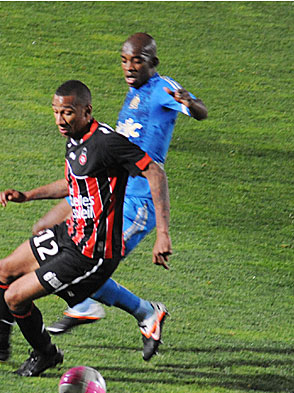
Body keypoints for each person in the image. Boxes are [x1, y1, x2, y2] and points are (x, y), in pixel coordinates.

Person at [0, 80, 172, 377]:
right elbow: (74, 183)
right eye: (55, 112)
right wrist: (28, 195)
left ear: (86, 111)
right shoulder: (75, 140)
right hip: (70, 233)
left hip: (91, 253)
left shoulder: (107, 142)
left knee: (15, 297)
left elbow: (154, 171)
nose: (60, 119)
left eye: (67, 112)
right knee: (5, 269)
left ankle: (46, 353)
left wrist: (162, 234)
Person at [44, 33, 207, 361]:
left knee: (87, 265)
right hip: (113, 195)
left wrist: (190, 102)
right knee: (59, 247)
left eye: (137, 60)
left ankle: (106, 306)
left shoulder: (162, 89)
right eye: (125, 60)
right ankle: (133, 310)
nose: (130, 67)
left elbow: (200, 112)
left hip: (139, 203)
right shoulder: (134, 95)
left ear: (153, 62)